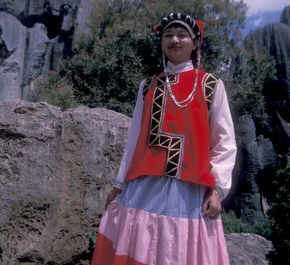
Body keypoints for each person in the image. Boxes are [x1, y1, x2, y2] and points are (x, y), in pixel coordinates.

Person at [91, 13, 237, 265]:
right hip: (144, 186)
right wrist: (118, 184)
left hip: (188, 191)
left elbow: (225, 141)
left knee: (177, 252)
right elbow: (135, 137)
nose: (175, 40)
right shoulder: (148, 86)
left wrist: (218, 190)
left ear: (195, 43)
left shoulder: (210, 85)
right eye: (168, 35)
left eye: (182, 35)